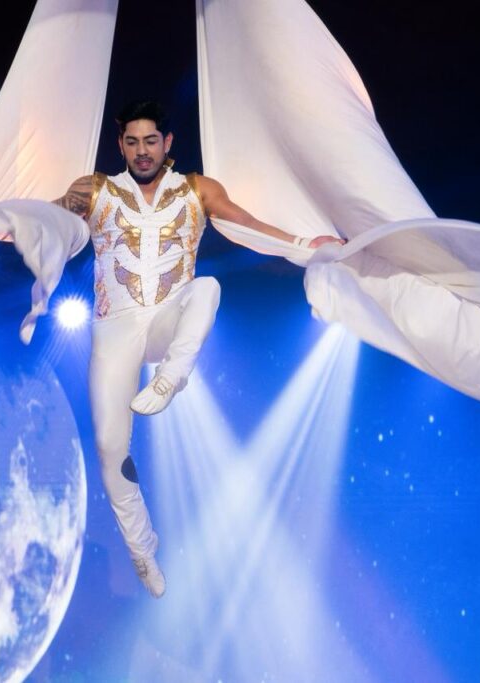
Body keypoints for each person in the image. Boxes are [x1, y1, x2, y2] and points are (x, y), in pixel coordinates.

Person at [52, 100, 344, 597]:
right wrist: (12, 220)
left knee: (207, 287)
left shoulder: (196, 189)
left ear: (167, 142)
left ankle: (171, 378)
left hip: (169, 320)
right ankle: (143, 550)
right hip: (114, 328)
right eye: (131, 142)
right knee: (109, 447)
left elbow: (248, 227)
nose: (141, 151)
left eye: (150, 141)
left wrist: (302, 246)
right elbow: (49, 221)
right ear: (120, 145)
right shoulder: (95, 189)